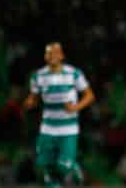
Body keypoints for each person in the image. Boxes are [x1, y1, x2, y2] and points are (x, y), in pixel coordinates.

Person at [24, 42, 95, 188]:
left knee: (63, 166)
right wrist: (30, 102)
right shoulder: (38, 76)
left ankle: (73, 166)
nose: (51, 56)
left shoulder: (74, 73)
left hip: (68, 128)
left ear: (62, 55)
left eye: (55, 53)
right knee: (45, 165)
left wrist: (76, 107)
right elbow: (34, 98)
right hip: (48, 127)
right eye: (48, 53)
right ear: (45, 56)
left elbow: (89, 96)